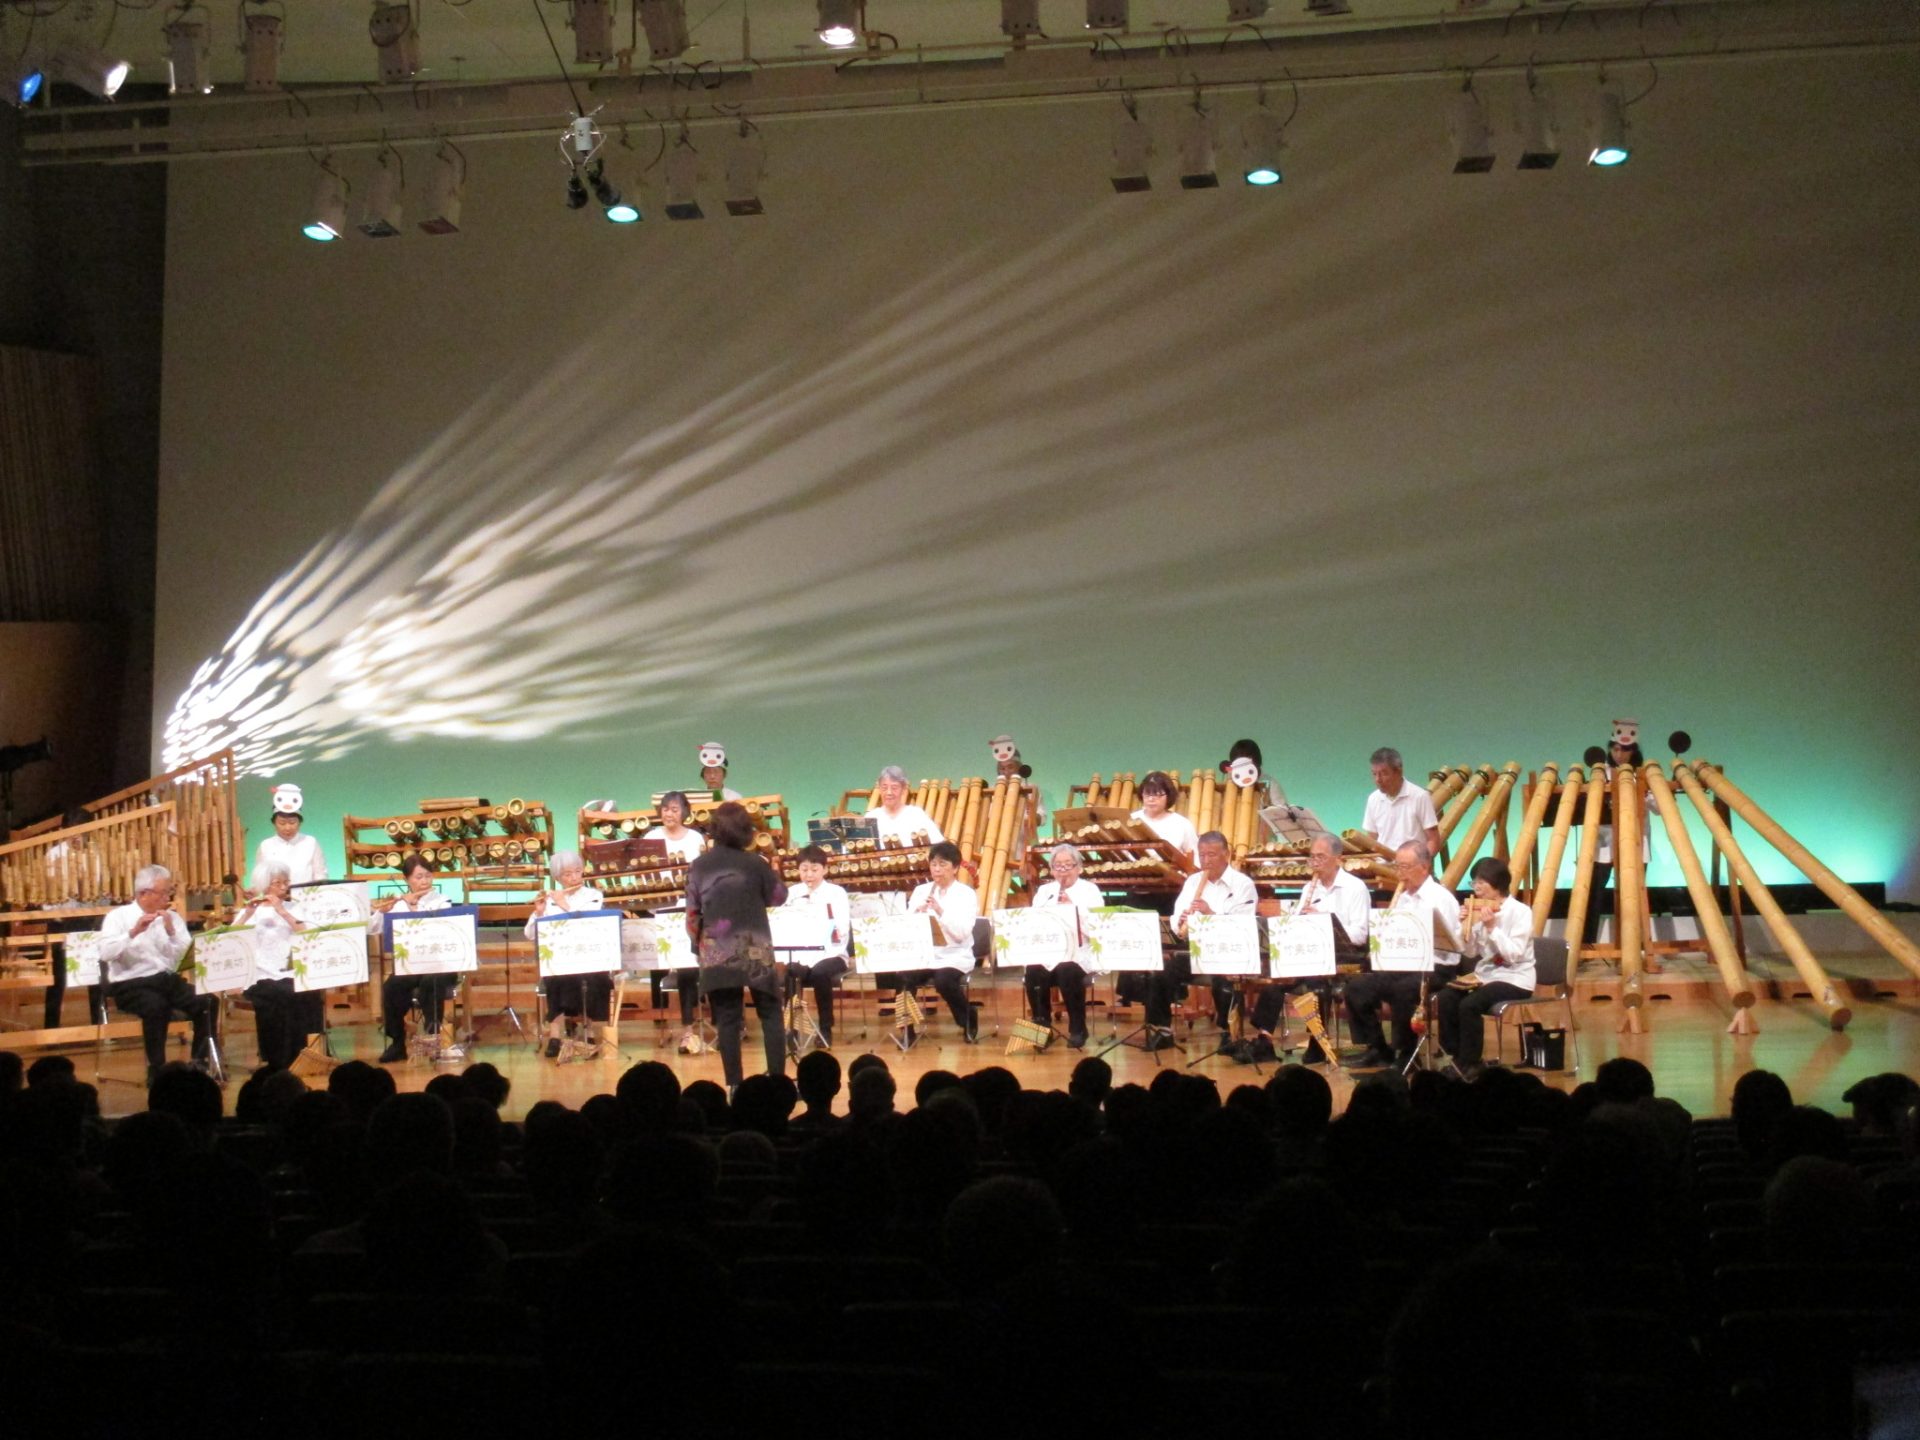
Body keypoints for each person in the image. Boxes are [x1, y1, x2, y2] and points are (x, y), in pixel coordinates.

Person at [685, 801, 788, 1091]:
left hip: (717, 951)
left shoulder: (698, 866)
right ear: (746, 830)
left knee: (728, 1018)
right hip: (756, 949)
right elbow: (778, 896)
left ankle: (734, 1086)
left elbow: (692, 914)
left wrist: (699, 946)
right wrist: (775, 868)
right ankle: (777, 1083)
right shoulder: (756, 863)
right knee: (769, 1012)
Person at [1252, 831, 1373, 1065]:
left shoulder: (1355, 887)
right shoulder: (1310, 888)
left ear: (1338, 858)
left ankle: (1317, 1041)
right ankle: (1264, 1039)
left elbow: (1360, 934)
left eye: (1321, 857)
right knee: (1275, 978)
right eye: (1312, 858)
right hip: (1312, 952)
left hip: (1345, 954)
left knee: (1318, 981)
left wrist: (1324, 921)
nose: (1315, 863)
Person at [1344, 841, 1462, 1069]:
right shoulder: (1403, 897)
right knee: (1356, 987)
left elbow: (1452, 945)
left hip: (1436, 966)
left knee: (1403, 990)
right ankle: (1377, 1047)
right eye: (1398, 867)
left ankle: (1407, 1054)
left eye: (1405, 867)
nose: (1400, 873)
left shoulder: (1440, 898)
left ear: (1424, 867)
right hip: (1405, 964)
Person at [97, 863, 215, 1083]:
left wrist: (171, 932)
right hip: (130, 982)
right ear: (144, 893)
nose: (167, 898)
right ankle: (157, 1068)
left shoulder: (172, 918)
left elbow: (186, 958)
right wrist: (133, 932)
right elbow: (105, 953)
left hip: (165, 979)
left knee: (207, 1001)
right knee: (156, 1006)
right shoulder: (118, 917)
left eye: (169, 892)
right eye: (163, 893)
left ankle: (199, 1062)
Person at [1436, 856, 1535, 1079]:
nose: (1476, 888)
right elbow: (1470, 953)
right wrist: (1464, 926)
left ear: (1498, 884)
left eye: (1482, 882)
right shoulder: (1479, 909)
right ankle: (1458, 1055)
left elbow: (1513, 954)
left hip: (1515, 977)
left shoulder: (1520, 912)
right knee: (1446, 997)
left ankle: (1469, 1063)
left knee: (1470, 1005)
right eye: (1474, 882)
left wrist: (1492, 928)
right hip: (1486, 975)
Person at [1169, 831, 1260, 1046]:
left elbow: (1242, 926)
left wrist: (1209, 913)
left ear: (1226, 855)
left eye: (1211, 855)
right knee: (1163, 973)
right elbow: (1175, 916)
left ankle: (1229, 1033)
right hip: (1198, 948)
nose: (1206, 861)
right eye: (1202, 856)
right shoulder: (1193, 882)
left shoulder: (1243, 884)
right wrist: (1181, 920)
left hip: (1230, 951)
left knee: (1224, 979)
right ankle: (1160, 1028)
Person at [235, 861, 322, 1072]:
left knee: (302, 994)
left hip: (291, 971)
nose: (284, 887)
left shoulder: (294, 907)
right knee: (273, 996)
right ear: (265, 885)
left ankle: (301, 1055)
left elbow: (307, 933)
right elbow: (231, 937)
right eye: (277, 883)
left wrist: (282, 911)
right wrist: (247, 914)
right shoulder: (251, 911)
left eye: (286, 882)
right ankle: (274, 1059)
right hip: (260, 974)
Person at [371, 853, 454, 1064]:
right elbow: (372, 929)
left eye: (427, 875)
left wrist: (414, 907)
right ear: (406, 880)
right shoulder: (397, 904)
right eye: (418, 877)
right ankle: (397, 1042)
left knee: (430, 982)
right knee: (391, 986)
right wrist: (383, 912)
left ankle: (433, 1038)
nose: (424, 881)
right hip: (411, 965)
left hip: (440, 964)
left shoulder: (442, 902)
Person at [527, 850, 611, 1059]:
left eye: (577, 871)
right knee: (554, 978)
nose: (574, 877)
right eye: (567, 874)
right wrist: (538, 913)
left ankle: (589, 1033)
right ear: (557, 878)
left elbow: (588, 924)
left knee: (593, 978)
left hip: (589, 956)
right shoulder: (549, 899)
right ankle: (556, 1036)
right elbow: (529, 934)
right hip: (561, 959)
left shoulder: (594, 896)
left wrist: (565, 905)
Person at [644, 791, 708, 1053]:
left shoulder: (695, 838)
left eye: (674, 809)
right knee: (659, 964)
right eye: (665, 809)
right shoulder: (651, 838)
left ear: (684, 812)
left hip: (688, 909)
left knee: (686, 968)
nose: (669, 814)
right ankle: (661, 1017)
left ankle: (688, 1026)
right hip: (660, 908)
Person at [898, 841, 979, 1043]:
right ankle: (907, 1029)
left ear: (955, 868)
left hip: (955, 955)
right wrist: (917, 912)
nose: (937, 869)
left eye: (943, 864)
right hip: (927, 954)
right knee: (904, 976)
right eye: (933, 864)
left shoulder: (966, 894)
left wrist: (941, 911)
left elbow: (961, 933)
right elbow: (907, 926)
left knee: (944, 981)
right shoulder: (920, 891)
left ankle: (967, 1018)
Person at [1024, 843, 1102, 1049]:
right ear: (1051, 870)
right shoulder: (1045, 891)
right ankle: (1041, 1030)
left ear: (1079, 868)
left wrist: (1073, 909)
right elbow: (1034, 921)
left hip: (1079, 952)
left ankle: (1078, 1029)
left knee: (1067, 970)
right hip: (1050, 950)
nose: (1063, 871)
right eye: (1058, 866)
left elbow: (1097, 928)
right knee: (1032, 971)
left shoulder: (1090, 890)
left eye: (1068, 865)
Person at [1585, 717, 1650, 946]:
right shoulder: (1600, 772)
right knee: (1592, 895)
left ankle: (1635, 945)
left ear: (1633, 752)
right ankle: (1587, 943)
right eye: (1615, 749)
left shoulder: (1642, 774)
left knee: (1633, 895)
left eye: (1624, 750)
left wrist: (1642, 794)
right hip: (1603, 843)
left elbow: (1660, 807)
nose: (1619, 754)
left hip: (1634, 842)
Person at [780, 844, 852, 1046]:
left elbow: (842, 928)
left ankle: (825, 1028)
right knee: (792, 971)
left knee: (820, 973)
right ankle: (791, 1028)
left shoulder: (836, 893)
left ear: (824, 870)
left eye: (814, 869)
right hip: (801, 951)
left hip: (832, 953)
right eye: (804, 870)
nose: (809, 875)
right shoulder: (792, 893)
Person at [1361, 748, 1441, 856]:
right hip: (1382, 864)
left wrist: (1422, 864)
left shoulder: (1419, 796)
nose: (1378, 780)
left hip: (1411, 865)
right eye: (1374, 774)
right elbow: (1371, 839)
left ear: (1399, 771)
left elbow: (1433, 840)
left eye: (1384, 774)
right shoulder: (1373, 799)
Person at [253, 783, 327, 887]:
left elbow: (320, 875)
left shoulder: (310, 842)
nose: (287, 828)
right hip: (275, 899)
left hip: (306, 898)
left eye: (292, 823)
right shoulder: (265, 845)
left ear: (300, 823)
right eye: (282, 823)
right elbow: (260, 877)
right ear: (274, 823)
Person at [868, 765, 945, 846]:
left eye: (894, 788)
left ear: (903, 789)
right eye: (884, 788)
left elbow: (938, 845)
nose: (889, 792)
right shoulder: (871, 816)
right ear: (879, 789)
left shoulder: (916, 814)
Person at [1131, 771, 1198, 860]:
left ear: (1168, 795)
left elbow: (1196, 856)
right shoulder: (1131, 819)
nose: (1151, 799)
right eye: (1147, 794)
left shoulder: (1182, 824)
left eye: (1157, 794)